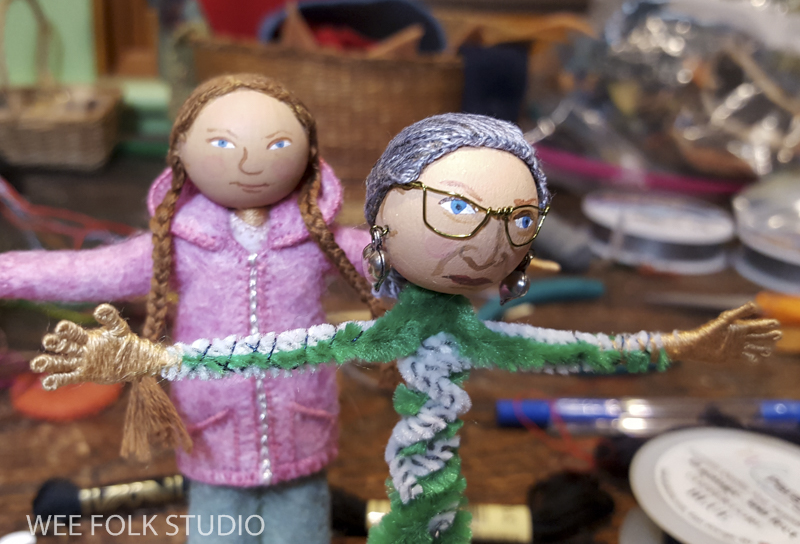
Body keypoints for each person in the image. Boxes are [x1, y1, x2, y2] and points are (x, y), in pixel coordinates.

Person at [33, 113, 781, 544]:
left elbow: (569, 349)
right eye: (457, 209)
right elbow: (273, 349)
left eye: (520, 221)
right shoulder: (373, 314)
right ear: (384, 220)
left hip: (429, 506)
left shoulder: (444, 319)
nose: (487, 240)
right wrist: (149, 357)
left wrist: (682, 344)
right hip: (314, 477)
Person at [5, 74, 376, 544]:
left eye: (278, 144)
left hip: (302, 422)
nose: (248, 162)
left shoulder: (318, 239)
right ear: (181, 151)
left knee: (301, 526)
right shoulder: (180, 243)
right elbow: (88, 271)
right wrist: (7, 273)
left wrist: (450, 260)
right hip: (211, 431)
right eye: (222, 143)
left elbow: (391, 260)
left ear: (309, 151)